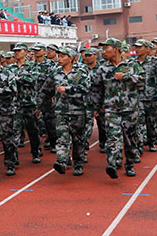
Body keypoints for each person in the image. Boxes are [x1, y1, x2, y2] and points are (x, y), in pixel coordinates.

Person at [91, 38, 142, 179]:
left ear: (116, 49)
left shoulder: (132, 65)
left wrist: (126, 77)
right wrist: (96, 107)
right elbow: (96, 89)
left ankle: (129, 165)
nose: (103, 52)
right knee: (112, 137)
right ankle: (112, 163)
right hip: (111, 109)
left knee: (130, 139)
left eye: (106, 48)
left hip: (130, 109)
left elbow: (143, 80)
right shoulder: (103, 69)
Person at [46, 47, 91, 176]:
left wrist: (68, 89)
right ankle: (61, 161)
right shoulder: (55, 72)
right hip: (61, 111)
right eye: (58, 56)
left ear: (70, 58)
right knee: (62, 137)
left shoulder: (81, 72)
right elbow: (46, 89)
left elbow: (86, 88)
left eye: (62, 56)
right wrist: (42, 103)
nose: (59, 59)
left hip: (78, 111)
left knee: (78, 140)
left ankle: (78, 164)